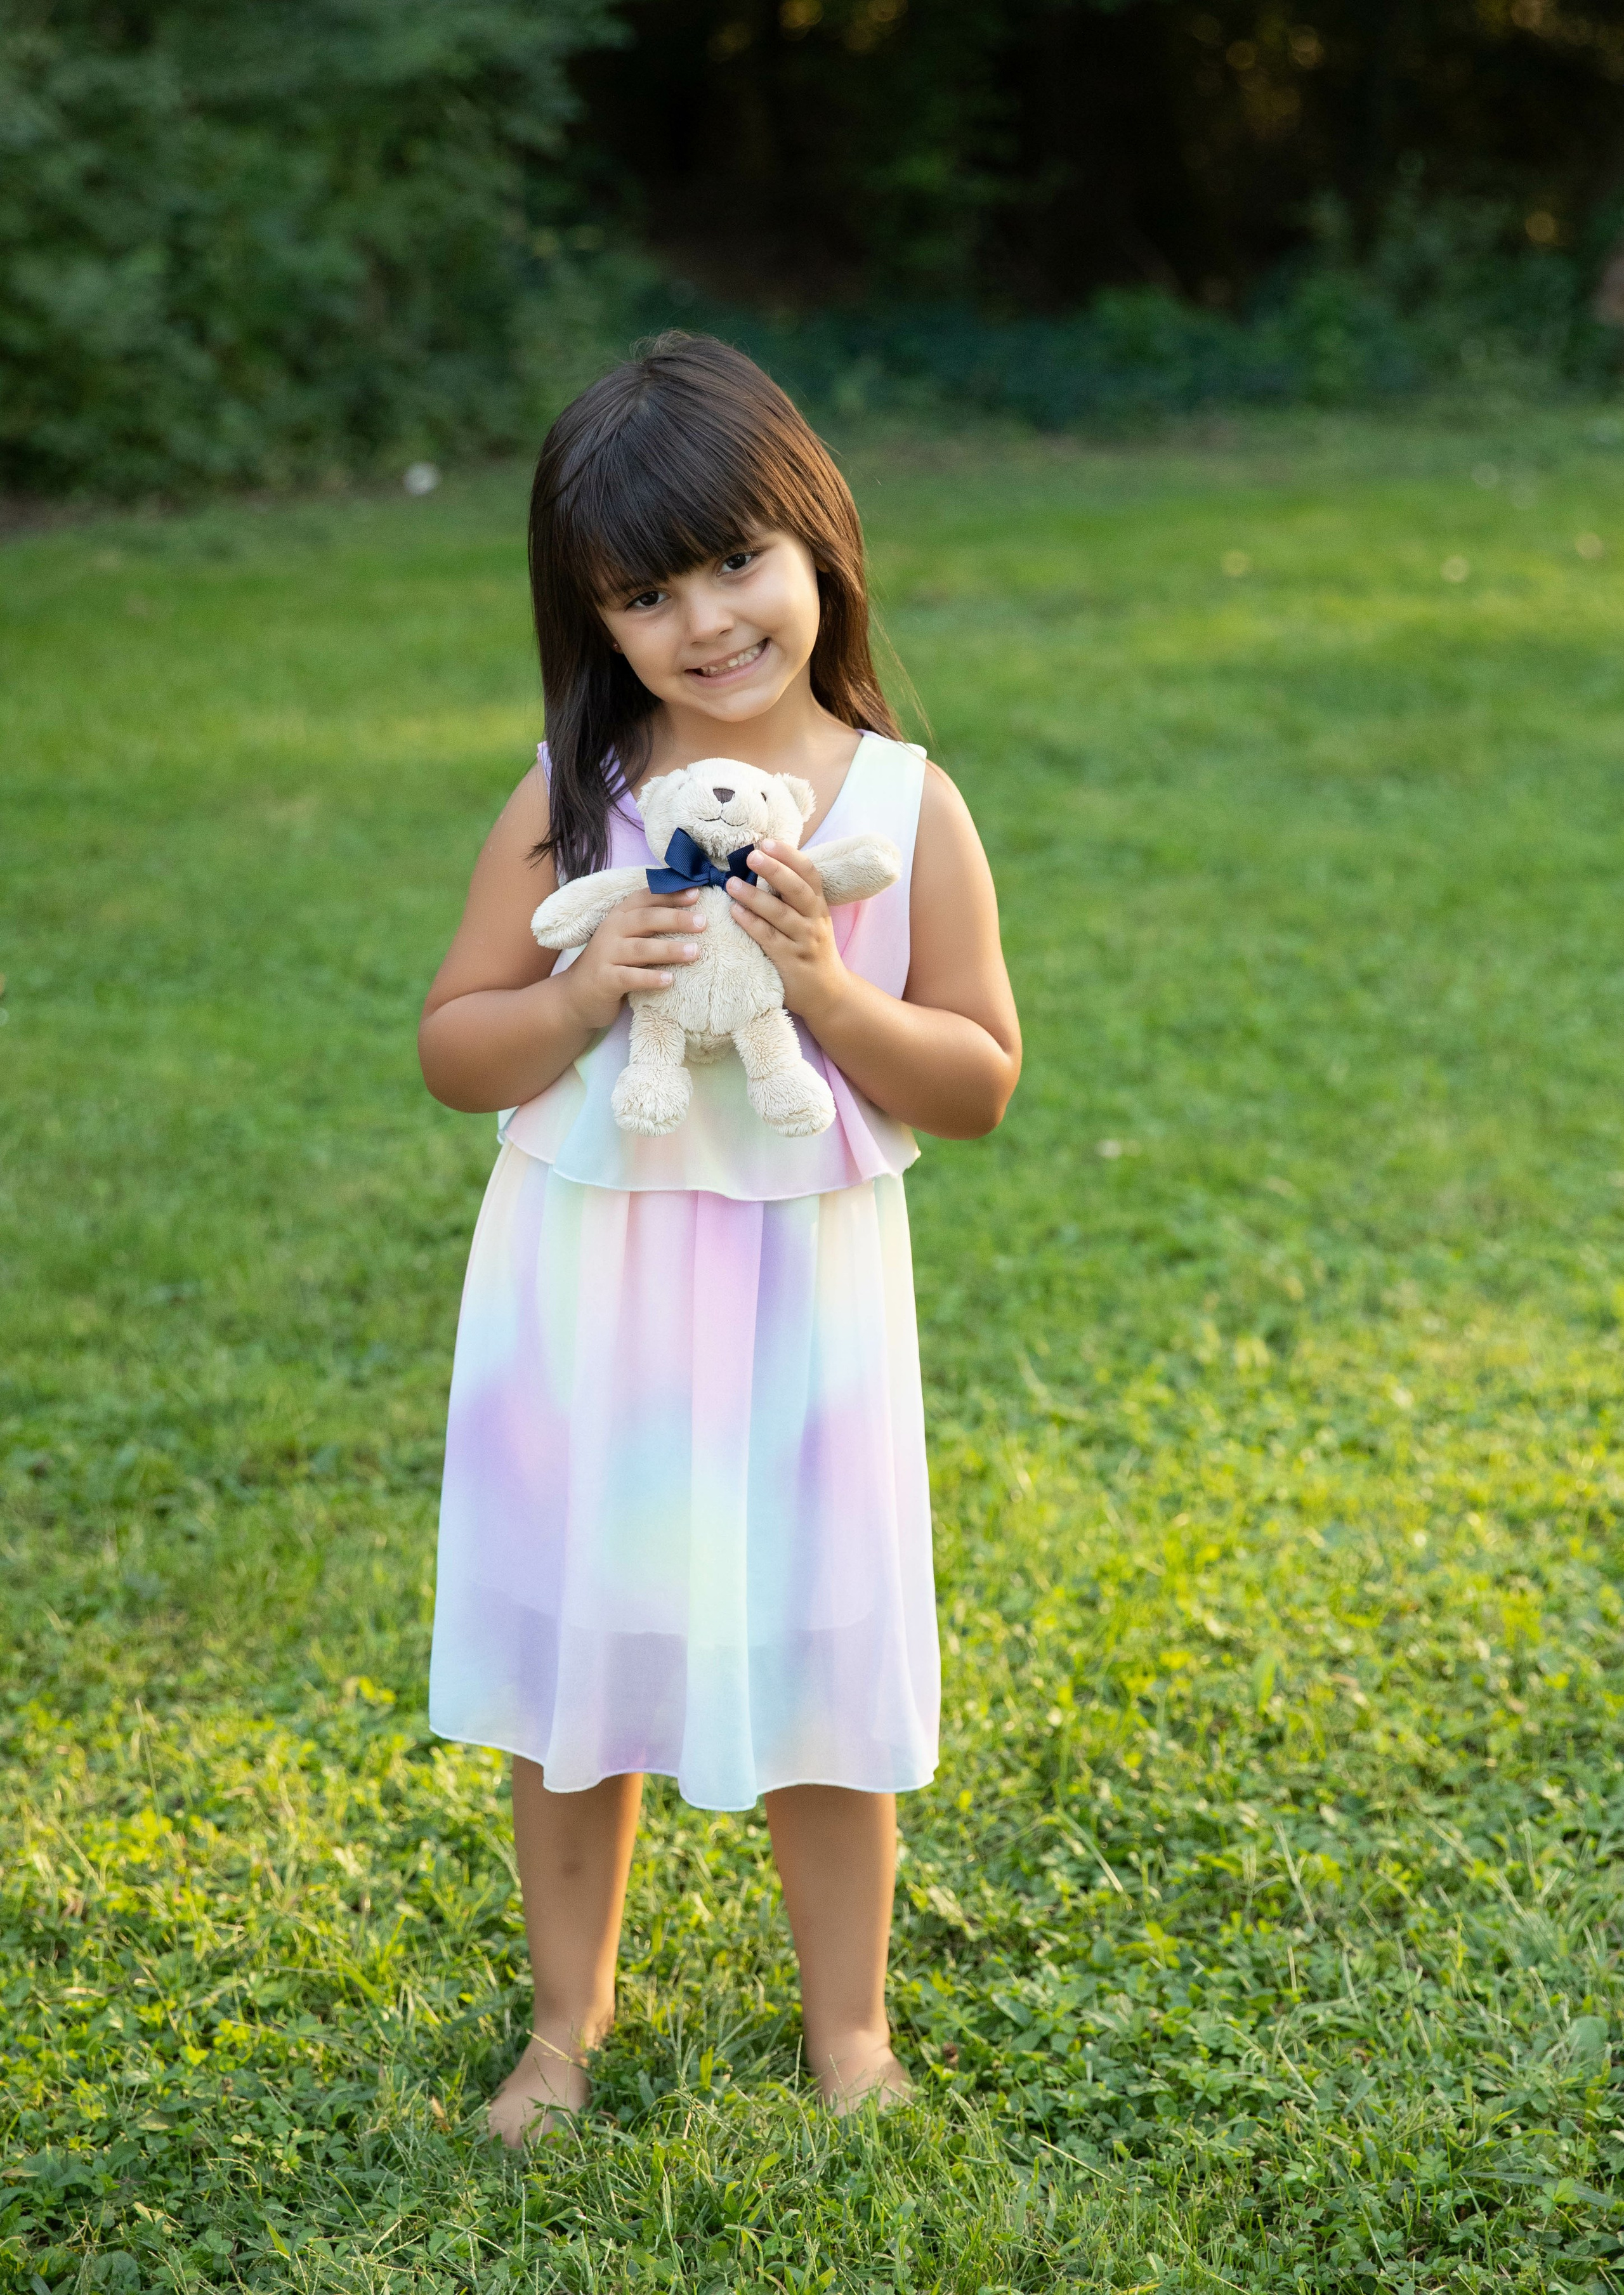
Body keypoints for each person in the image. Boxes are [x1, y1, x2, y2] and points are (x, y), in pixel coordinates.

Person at [418, 334, 1021, 2145]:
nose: (705, 620)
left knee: (825, 1651)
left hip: (801, 1307)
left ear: (819, 540)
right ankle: (560, 2029)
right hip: (586, 1282)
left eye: (737, 561)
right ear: (593, 618)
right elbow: (456, 1044)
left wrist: (831, 994)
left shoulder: (904, 807)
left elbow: (980, 1075)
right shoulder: (569, 798)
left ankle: (850, 2030)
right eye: (646, 591)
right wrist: (582, 989)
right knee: (575, 1668)